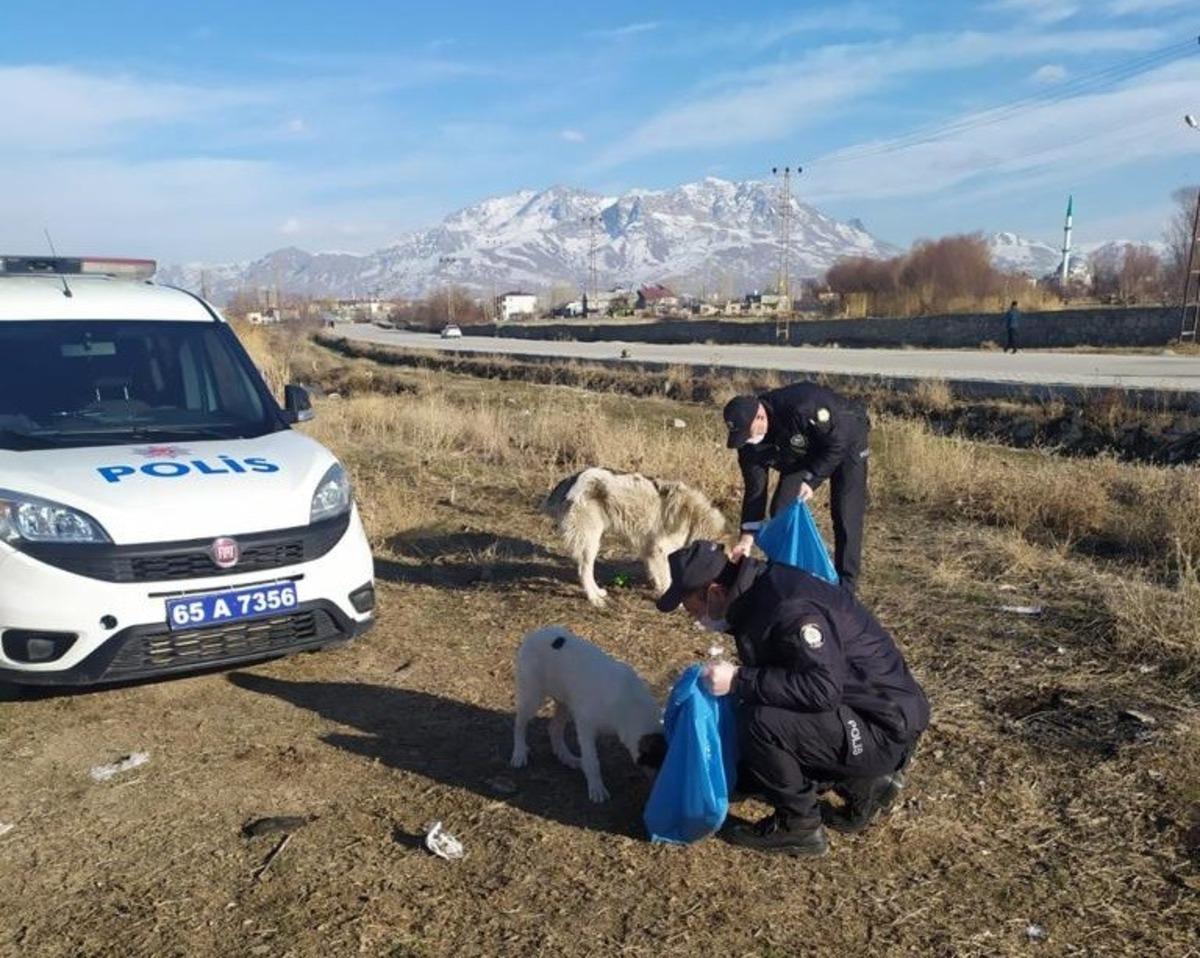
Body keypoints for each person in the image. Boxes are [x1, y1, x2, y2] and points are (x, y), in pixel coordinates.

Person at [655, 540, 930, 857]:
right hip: (874, 713)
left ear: (715, 592)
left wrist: (739, 679)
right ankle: (865, 783)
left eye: (694, 609)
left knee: (759, 722)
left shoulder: (788, 608)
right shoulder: (759, 590)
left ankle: (799, 825)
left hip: (883, 725)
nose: (696, 620)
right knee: (757, 703)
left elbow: (821, 689)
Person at [723, 383, 870, 592]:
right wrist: (746, 539)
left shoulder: (801, 406)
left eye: (749, 434)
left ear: (760, 417)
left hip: (846, 437)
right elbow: (755, 491)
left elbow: (837, 445)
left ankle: (846, 586)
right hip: (804, 452)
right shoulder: (748, 446)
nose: (748, 441)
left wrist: (812, 481)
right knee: (782, 510)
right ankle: (792, 572)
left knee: (846, 513)